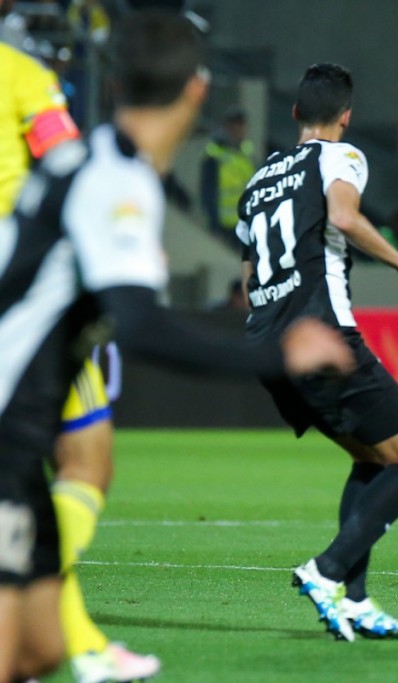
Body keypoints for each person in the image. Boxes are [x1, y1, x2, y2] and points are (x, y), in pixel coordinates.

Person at [0, 12, 353, 683]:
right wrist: (276, 355)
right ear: (197, 89)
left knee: (40, 649)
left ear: (114, 85)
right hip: (6, 428)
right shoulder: (116, 179)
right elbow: (140, 327)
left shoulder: (86, 161)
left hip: (22, 425)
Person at [235, 63, 398, 642]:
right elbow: (344, 217)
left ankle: (355, 600)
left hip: (268, 346)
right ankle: (326, 571)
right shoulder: (340, 156)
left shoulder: (257, 182)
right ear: (345, 117)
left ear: (295, 112)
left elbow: (249, 279)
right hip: (322, 337)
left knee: (373, 458)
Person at [1, 39, 162, 683]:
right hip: (26, 293)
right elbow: (66, 157)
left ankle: (78, 640)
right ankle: (83, 643)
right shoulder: (18, 71)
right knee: (85, 459)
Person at [200, 106, 255, 242]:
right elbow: (208, 192)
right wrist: (214, 223)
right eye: (235, 125)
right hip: (224, 226)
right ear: (227, 127)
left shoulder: (247, 153)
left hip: (245, 223)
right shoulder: (215, 154)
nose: (239, 129)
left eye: (241, 125)